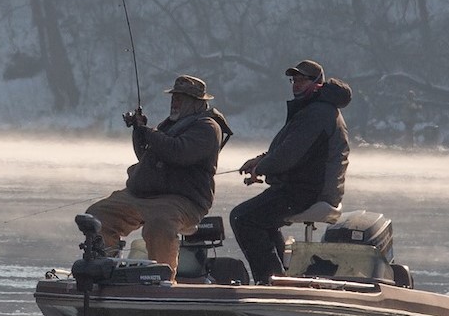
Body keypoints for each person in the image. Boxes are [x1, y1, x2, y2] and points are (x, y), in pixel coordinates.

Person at [86, 75, 232, 276]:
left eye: (181, 98)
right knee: (97, 215)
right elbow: (147, 156)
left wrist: (150, 132)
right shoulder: (170, 125)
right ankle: (105, 268)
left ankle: (163, 277)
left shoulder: (207, 127)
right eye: (174, 97)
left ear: (198, 102)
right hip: (142, 195)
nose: (175, 102)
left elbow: (178, 152)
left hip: (181, 200)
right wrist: (139, 130)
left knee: (160, 224)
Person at [230, 59, 352, 285]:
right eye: (294, 79)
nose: (296, 84)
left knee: (242, 218)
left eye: (302, 79)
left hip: (310, 191)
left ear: (317, 83)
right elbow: (289, 150)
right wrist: (262, 161)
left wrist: (262, 167)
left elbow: (289, 155)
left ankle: (270, 282)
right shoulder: (313, 109)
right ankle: (279, 277)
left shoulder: (318, 112)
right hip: (302, 186)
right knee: (260, 219)